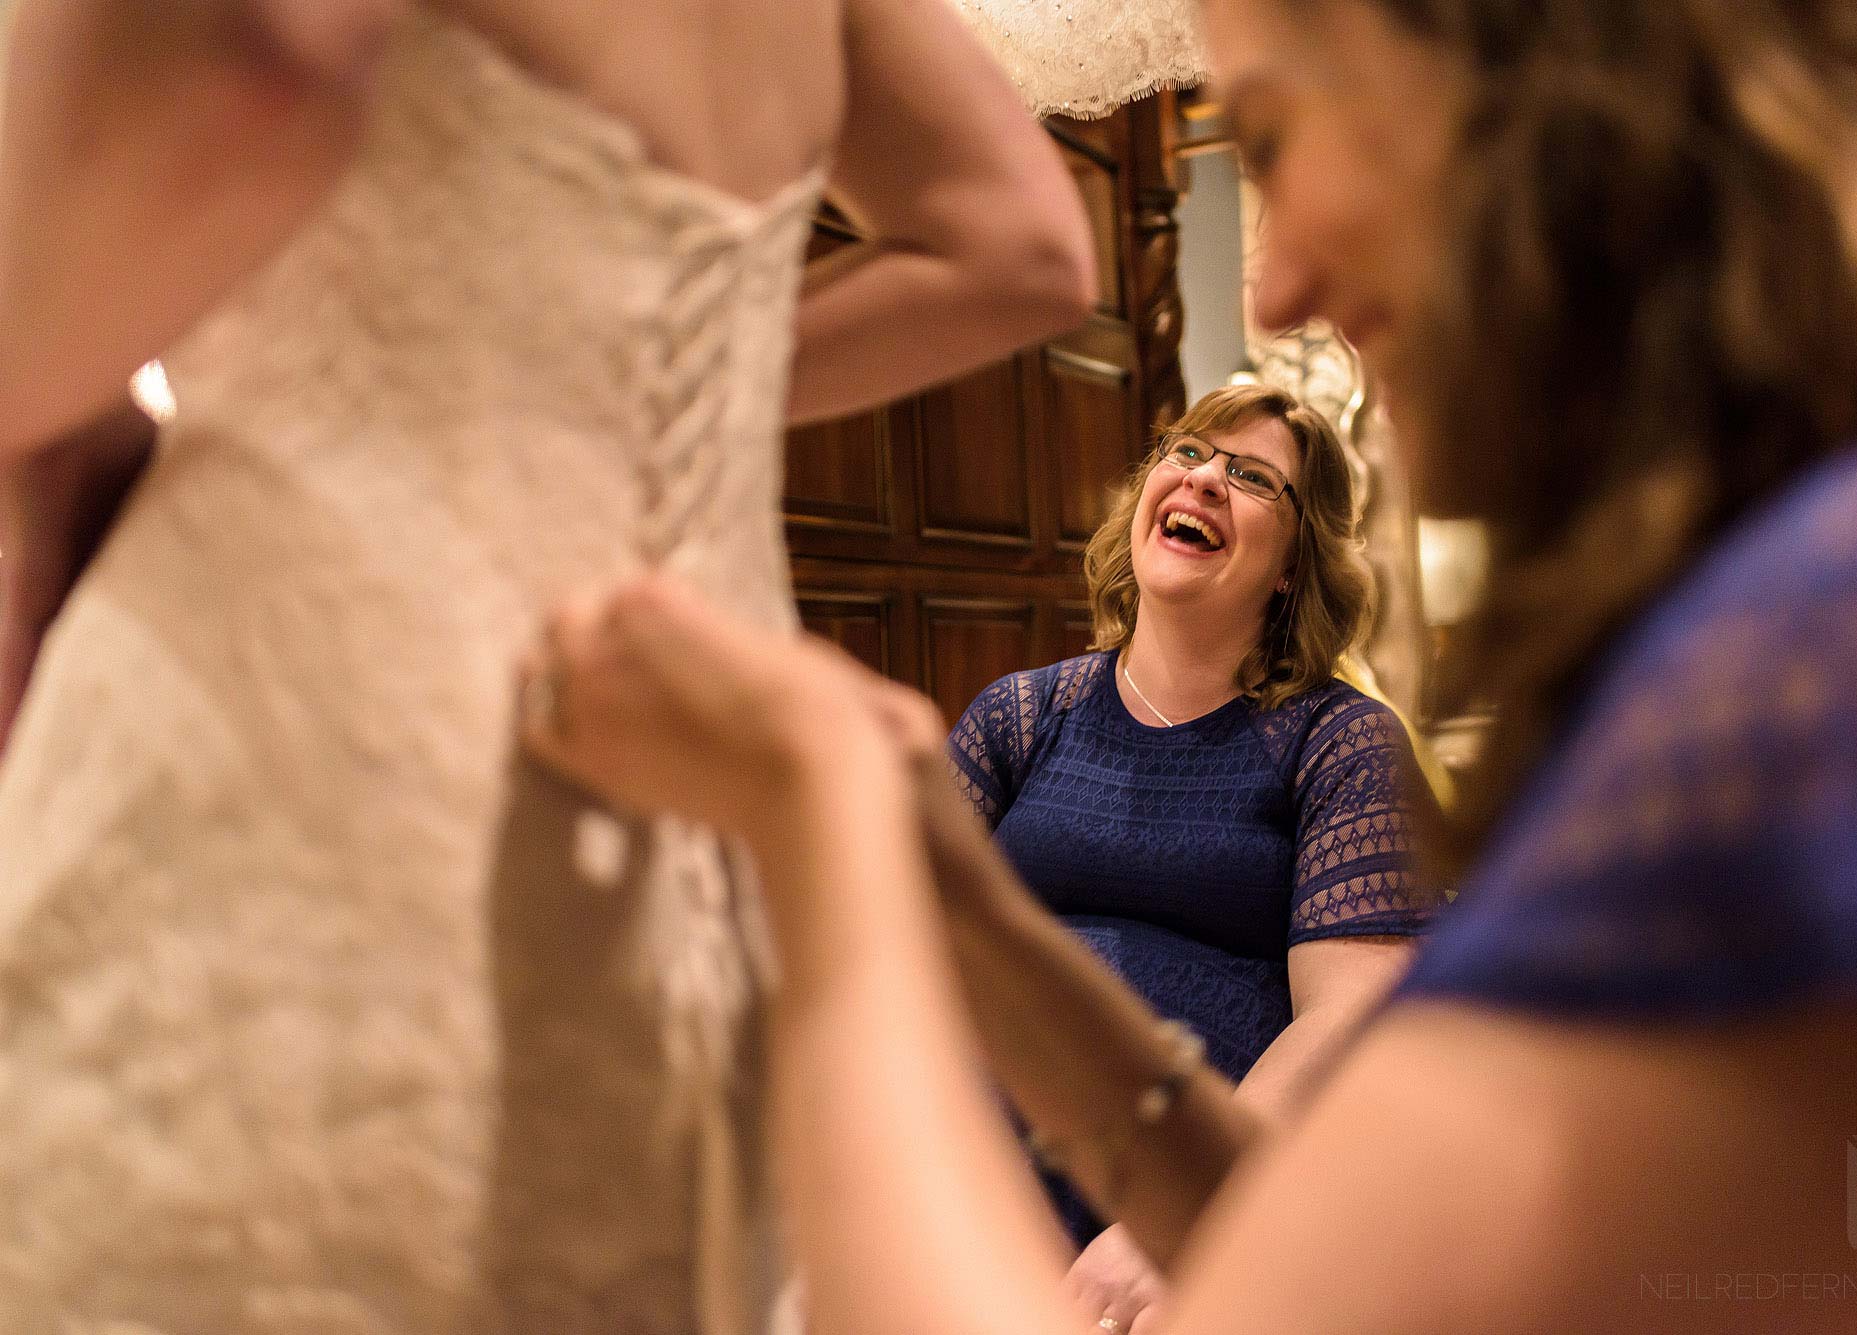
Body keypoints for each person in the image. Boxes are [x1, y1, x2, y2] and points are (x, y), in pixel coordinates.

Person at [522, 0, 1857, 1331]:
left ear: (1542, 89)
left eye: (1278, 136)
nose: (1279, 283)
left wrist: (823, 811)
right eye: (1183, 455)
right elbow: (1340, 1246)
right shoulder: (1025, 712)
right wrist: (967, 913)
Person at [0, 0, 1093, 1327]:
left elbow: (264, 55)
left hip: (309, 772)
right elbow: (1021, 243)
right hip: (694, 818)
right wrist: (597, 368)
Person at [947, 382, 1438, 1274]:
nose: (1205, 479)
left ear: (1294, 561)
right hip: (970, 1176)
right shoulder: (1019, 717)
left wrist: (1184, 1210)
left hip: (1209, 1198)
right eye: (1187, 452)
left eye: (1251, 476)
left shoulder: (1341, 742)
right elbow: (899, 939)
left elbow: (1353, 1011)